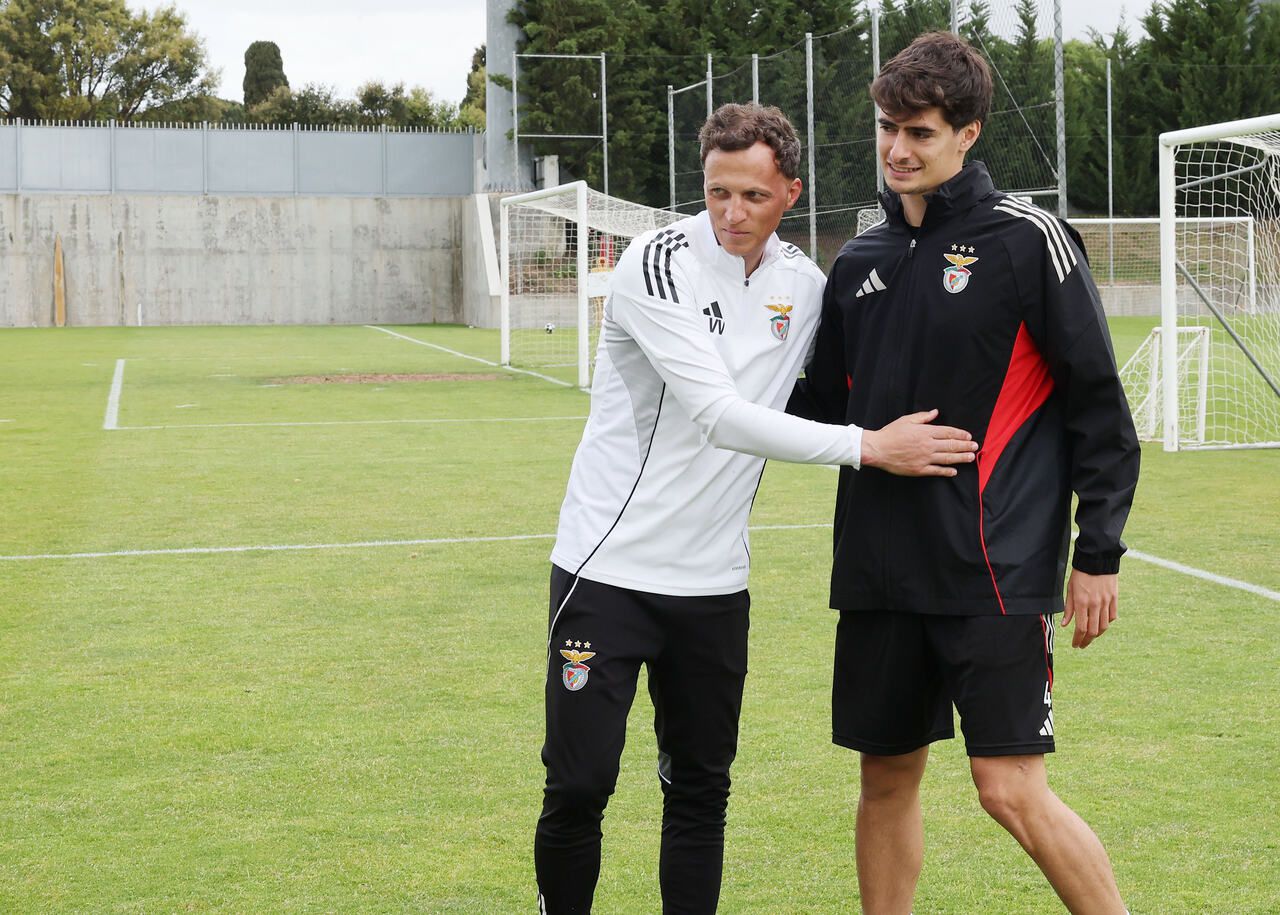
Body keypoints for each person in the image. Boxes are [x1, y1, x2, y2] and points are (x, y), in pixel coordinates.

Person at [534, 102, 980, 914]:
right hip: (608, 568)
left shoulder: (804, 286)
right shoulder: (656, 261)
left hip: (713, 586)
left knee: (701, 787)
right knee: (581, 781)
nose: (731, 213)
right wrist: (872, 446)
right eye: (716, 193)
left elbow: (842, 379)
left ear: (792, 195)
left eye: (752, 197)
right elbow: (720, 414)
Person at [790, 32, 1141, 914]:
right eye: (886, 129)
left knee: (1009, 789)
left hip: (995, 566)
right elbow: (815, 407)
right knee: (885, 781)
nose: (898, 150)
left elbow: (1100, 408)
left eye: (919, 131)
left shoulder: (1029, 241)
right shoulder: (860, 261)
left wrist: (1097, 553)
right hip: (878, 567)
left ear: (969, 132)